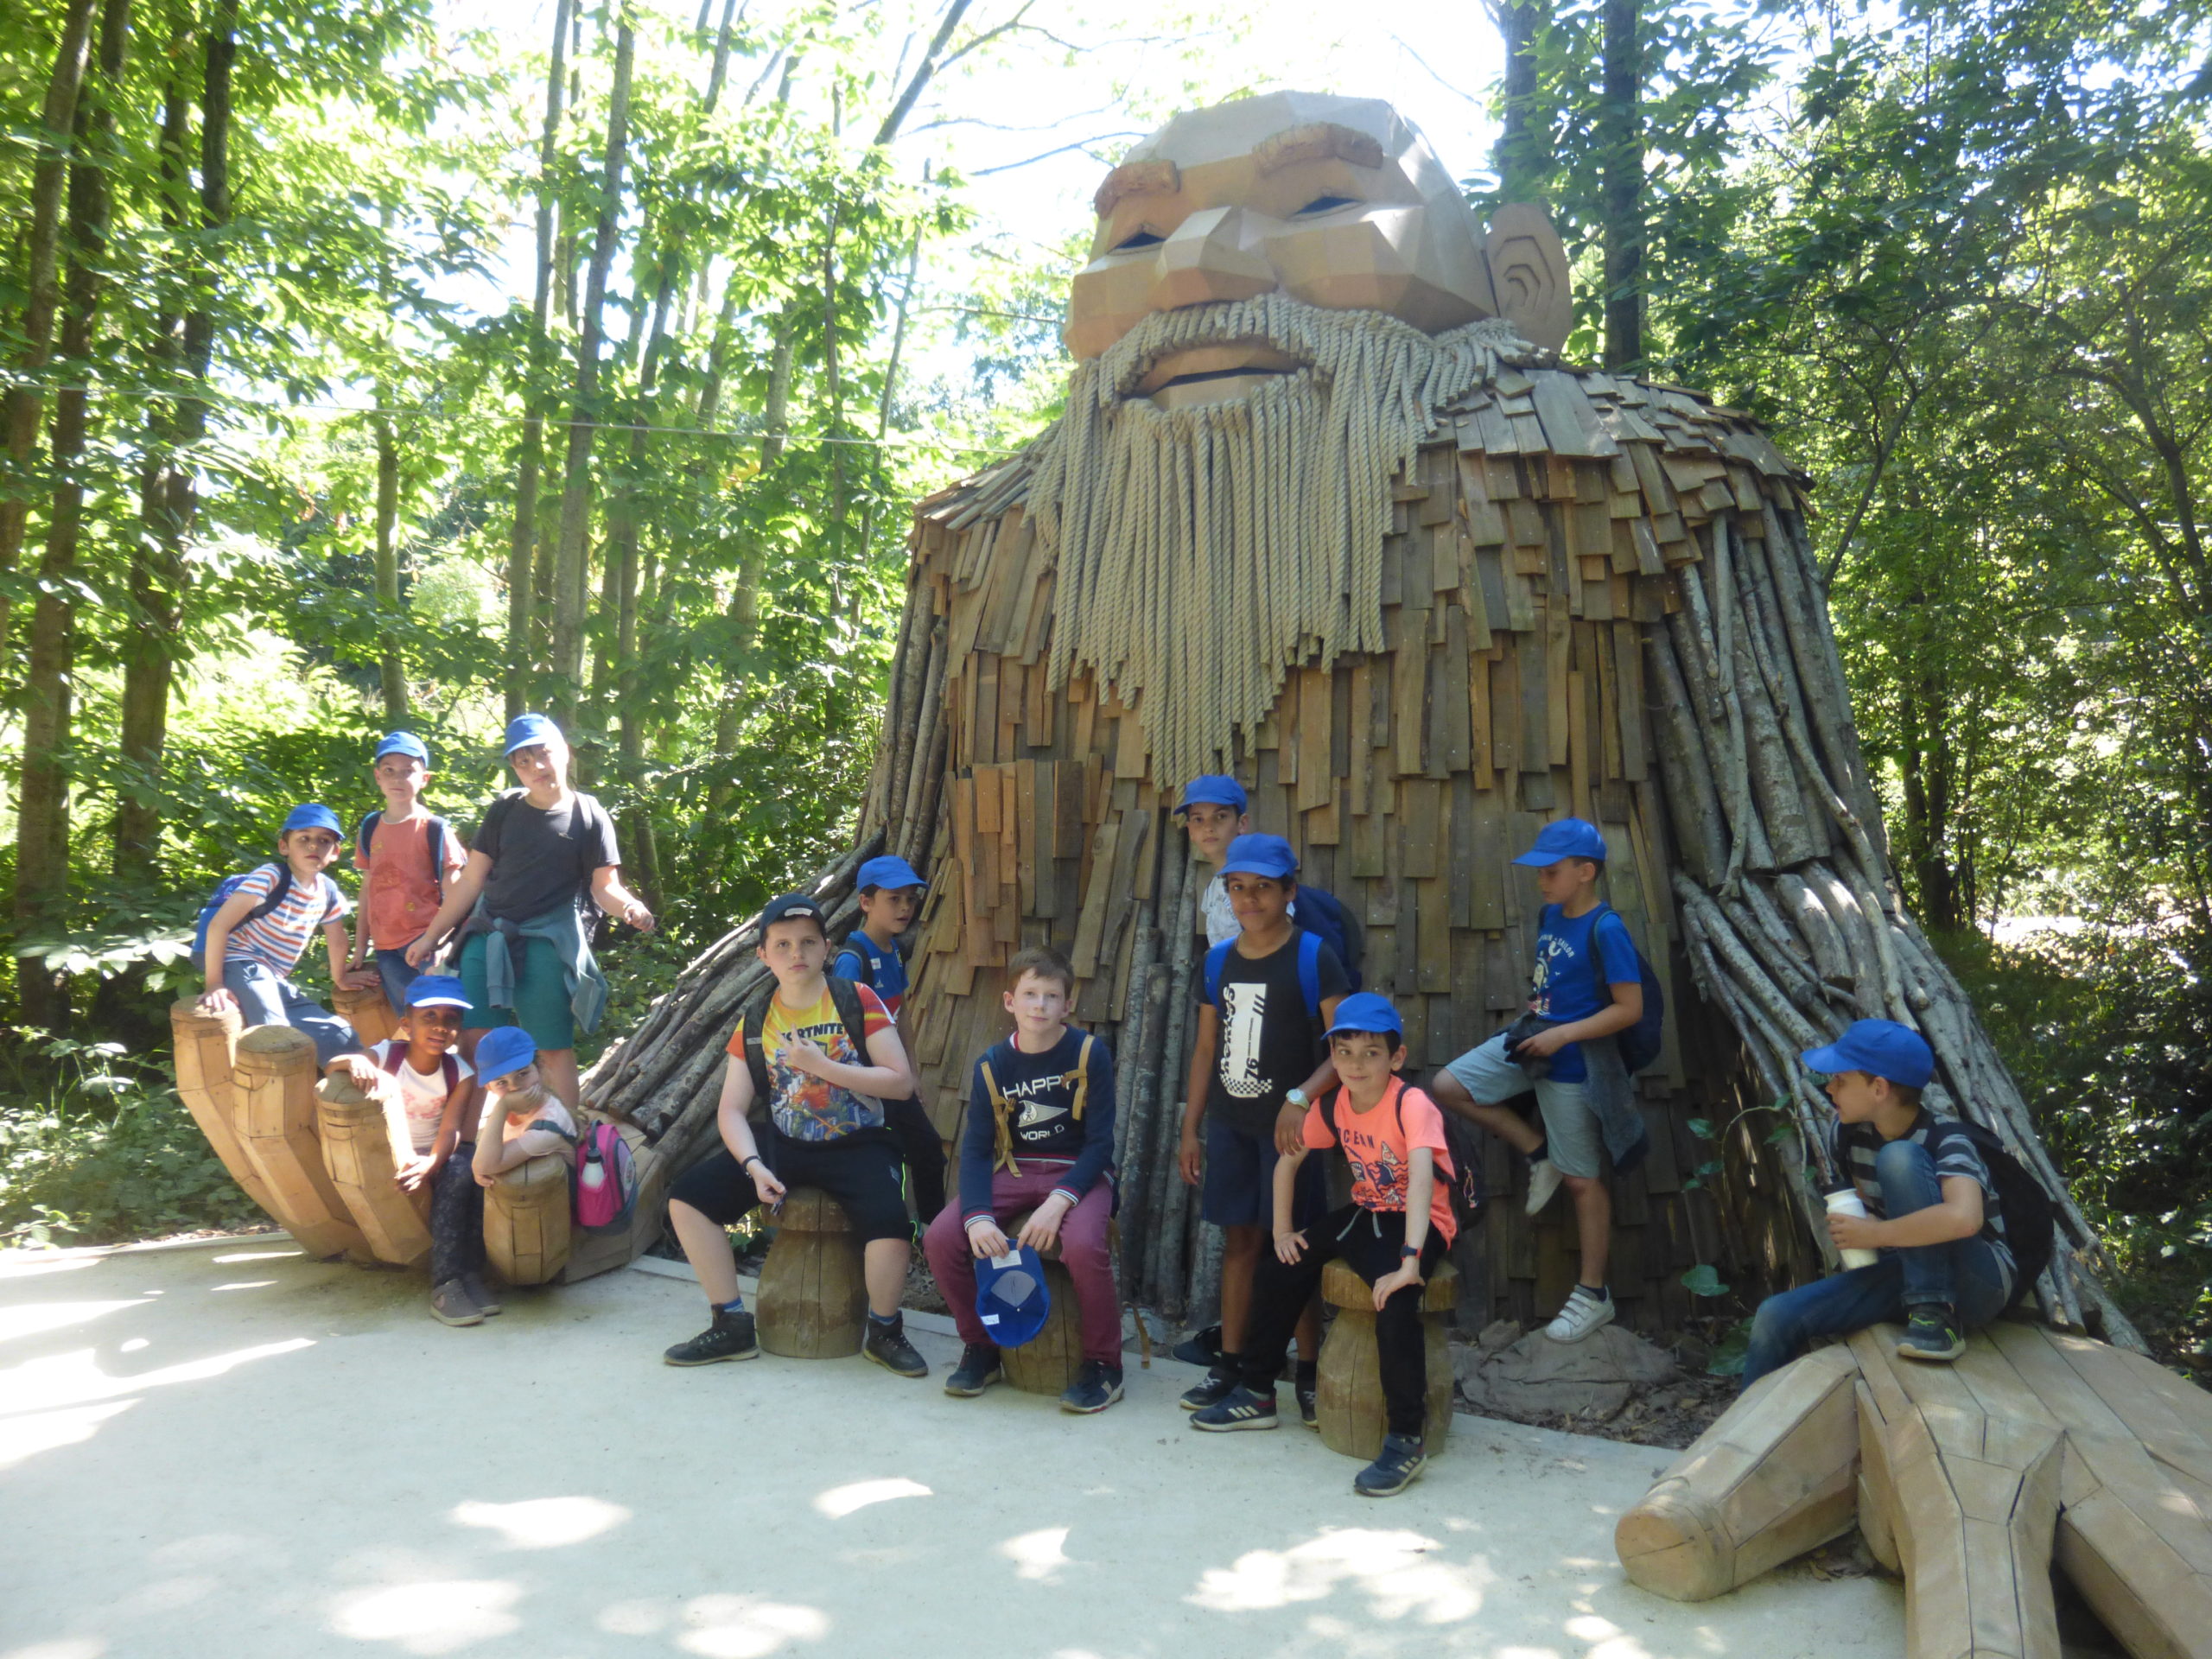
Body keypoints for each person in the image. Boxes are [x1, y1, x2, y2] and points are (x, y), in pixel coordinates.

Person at [1191, 993, 1457, 1497]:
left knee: (1396, 1300)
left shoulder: (1411, 1103)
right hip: (1367, 1213)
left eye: (1371, 1053)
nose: (1356, 1064)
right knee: (1278, 1267)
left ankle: (1406, 1437)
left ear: (1396, 1058)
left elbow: (1422, 1181)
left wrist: (1410, 1262)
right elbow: (1287, 1161)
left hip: (1420, 1222)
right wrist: (1282, 1231)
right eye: (1345, 1052)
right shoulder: (1333, 1105)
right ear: (1332, 1058)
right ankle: (1257, 1391)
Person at [659, 893, 929, 1378]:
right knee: (688, 1199)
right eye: (781, 945)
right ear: (763, 955)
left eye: (807, 942)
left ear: (827, 947)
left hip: (857, 1142)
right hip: (783, 1143)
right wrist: (752, 1164)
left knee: (890, 1224)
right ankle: (731, 1322)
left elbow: (900, 1081)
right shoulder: (758, 1018)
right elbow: (732, 1110)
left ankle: (884, 1331)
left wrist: (823, 1067)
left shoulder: (855, 999)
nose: (796, 954)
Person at [1429, 818, 1646, 1344]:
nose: (1541, 881)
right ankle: (1536, 1151)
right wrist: (1542, 1033)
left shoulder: (1607, 928)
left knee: (1583, 1180)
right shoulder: (1551, 914)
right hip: (1530, 1040)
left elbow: (1629, 1009)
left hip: (1573, 1063)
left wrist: (1564, 1037)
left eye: (1551, 871)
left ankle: (1594, 1294)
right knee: (1448, 1086)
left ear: (1585, 872)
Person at [1739, 1020, 2015, 1388]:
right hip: (1904, 1269)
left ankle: (1936, 1315)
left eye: (1840, 1079)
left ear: (1879, 1088)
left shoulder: (1948, 1139)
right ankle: (1750, 1438)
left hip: (1977, 1282)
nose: (1829, 1087)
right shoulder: (1848, 1133)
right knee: (1775, 1316)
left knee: (1899, 1157)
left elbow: (1965, 1219)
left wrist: (1875, 1232)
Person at [1177, 833, 1348, 1420]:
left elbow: (1343, 1047)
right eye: (1237, 888)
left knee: (1293, 1249)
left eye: (1263, 889)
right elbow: (1205, 1049)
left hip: (1292, 1137)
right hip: (1230, 1125)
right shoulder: (1217, 961)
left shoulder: (1312, 957)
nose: (1249, 900)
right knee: (1240, 1243)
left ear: (1289, 892)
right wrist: (1190, 1128)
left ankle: (1305, 1369)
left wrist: (1302, 1097)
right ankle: (1232, 1364)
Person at [406, 713, 654, 1116]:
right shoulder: (505, 809)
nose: (536, 766)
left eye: (544, 754)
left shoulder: (588, 815)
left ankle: (563, 1138)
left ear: (566, 752)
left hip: (545, 942)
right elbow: (471, 881)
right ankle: (467, 1144)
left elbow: (604, 886)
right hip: (485, 938)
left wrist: (630, 907)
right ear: (514, 768)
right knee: (475, 1043)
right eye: (523, 760)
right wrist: (431, 937)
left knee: (552, 1048)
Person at [924, 944, 1122, 1414]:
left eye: (1051, 996)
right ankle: (982, 1347)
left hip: (1080, 1174)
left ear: (1067, 1005)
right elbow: (974, 1151)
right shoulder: (992, 1065)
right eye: (1030, 995)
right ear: (1010, 1001)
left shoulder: (1090, 1053)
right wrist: (976, 1218)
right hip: (1015, 1170)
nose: (1040, 1006)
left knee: (1081, 1245)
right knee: (939, 1238)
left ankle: (1104, 1364)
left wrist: (1059, 1203)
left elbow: (1100, 1144)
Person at [195, 804, 385, 1083]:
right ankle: (279, 1093)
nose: (314, 846)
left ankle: (345, 1087)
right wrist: (214, 983)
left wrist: (340, 976)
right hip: (238, 960)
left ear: (335, 852)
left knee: (339, 1036)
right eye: (304, 838)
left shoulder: (327, 891)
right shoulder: (270, 876)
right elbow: (219, 925)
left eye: (324, 841)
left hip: (272, 976)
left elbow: (337, 939)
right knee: (275, 1032)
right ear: (284, 846)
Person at [362, 975, 488, 1325]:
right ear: (407, 1024)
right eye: (428, 1016)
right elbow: (340, 1064)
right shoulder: (388, 1054)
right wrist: (353, 1062)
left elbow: (452, 1129)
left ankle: (467, 1274)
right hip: (389, 1150)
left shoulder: (459, 1072)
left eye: (450, 1019)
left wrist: (431, 1163)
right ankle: (445, 1287)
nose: (439, 1027)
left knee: (470, 1171)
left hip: (434, 1150)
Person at [832, 852, 947, 1223]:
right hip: (867, 1085)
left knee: (926, 1152)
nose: (905, 907)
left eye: (911, 898)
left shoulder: (893, 950)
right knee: (909, 1154)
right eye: (893, 899)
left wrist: (912, 1072)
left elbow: (901, 1015)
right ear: (866, 902)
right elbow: (840, 1036)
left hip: (894, 1079)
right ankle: (920, 1237)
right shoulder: (853, 960)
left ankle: (930, 1237)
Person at [347, 731, 467, 1012]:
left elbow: (457, 893)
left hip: (426, 941)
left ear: (424, 779)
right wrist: (361, 945)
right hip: (386, 947)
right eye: (389, 771)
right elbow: (367, 891)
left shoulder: (435, 829)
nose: (398, 779)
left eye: (408, 771)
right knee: (411, 1020)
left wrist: (443, 944)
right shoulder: (370, 827)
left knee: (441, 1017)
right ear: (378, 776)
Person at [1175, 775, 1252, 949]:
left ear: (1242, 823)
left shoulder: (1258, 881)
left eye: (1220, 816)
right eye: (1198, 819)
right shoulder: (1213, 889)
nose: (1208, 827)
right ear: (1191, 831)